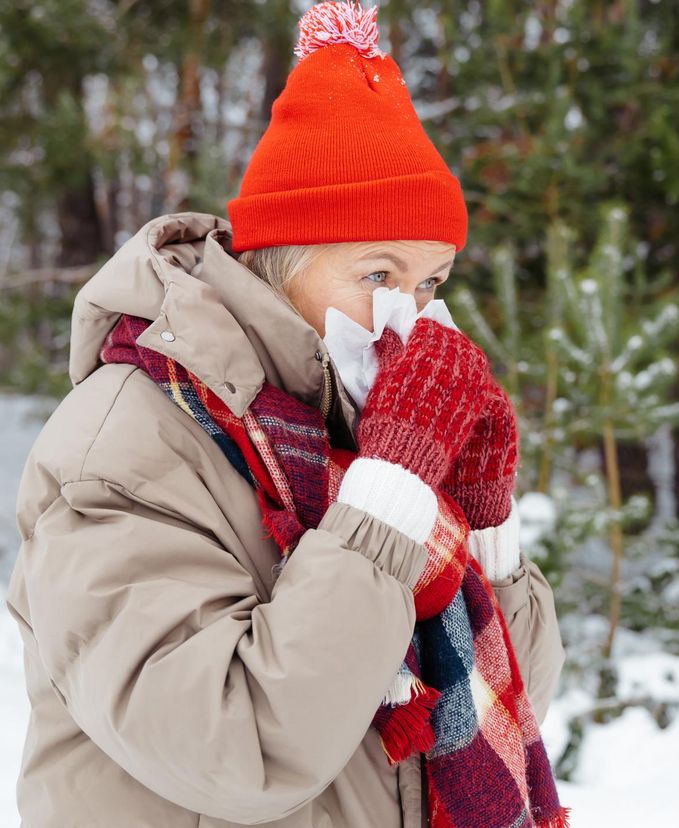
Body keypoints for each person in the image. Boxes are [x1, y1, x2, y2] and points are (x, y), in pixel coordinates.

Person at [3, 3, 567, 827]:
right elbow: (239, 749)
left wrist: (482, 522)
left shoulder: (364, 429)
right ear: (277, 265)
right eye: (376, 274)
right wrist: (392, 494)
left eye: (430, 283)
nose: (405, 317)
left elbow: (512, 705)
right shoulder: (125, 445)